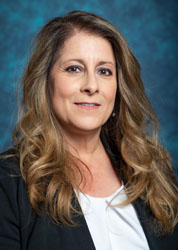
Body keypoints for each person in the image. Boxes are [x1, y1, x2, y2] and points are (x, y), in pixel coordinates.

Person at [0, 10, 178, 250]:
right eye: (74, 68)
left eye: (104, 71)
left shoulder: (153, 171)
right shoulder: (9, 182)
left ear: (118, 86)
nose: (92, 86)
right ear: (45, 81)